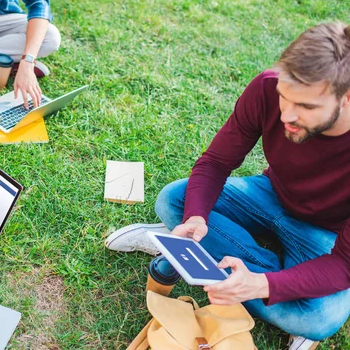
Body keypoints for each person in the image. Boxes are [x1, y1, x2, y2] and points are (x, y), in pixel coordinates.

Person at [105, 22, 350, 350]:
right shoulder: (267, 87)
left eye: (305, 106)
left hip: (325, 234)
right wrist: (195, 218)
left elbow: (343, 264)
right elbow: (215, 163)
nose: (287, 115)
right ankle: (203, 246)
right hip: (270, 193)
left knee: (319, 318)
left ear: (345, 99)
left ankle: (217, 262)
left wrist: (261, 283)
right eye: (284, 97)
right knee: (175, 201)